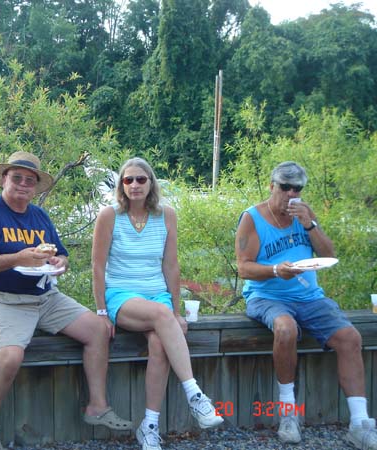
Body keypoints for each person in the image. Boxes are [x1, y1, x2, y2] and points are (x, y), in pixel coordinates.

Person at [0, 151, 132, 450]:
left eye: (30, 180)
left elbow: (60, 253)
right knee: (10, 357)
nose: (22, 184)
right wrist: (17, 257)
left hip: (43, 297)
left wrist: (60, 263)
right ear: (4, 179)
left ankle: (97, 406)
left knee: (99, 329)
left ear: (36, 187)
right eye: (16, 178)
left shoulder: (39, 216)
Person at [235, 161, 377, 449]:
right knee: (285, 329)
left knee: (350, 337)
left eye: (297, 188)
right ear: (272, 186)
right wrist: (276, 270)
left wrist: (310, 224)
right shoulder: (252, 217)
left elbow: (329, 254)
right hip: (267, 296)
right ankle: (289, 413)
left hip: (309, 297)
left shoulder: (304, 213)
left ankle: (359, 423)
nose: (291, 194)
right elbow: (243, 268)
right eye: (285, 187)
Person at [91, 157, 223, 450]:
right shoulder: (109, 215)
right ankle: (195, 395)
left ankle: (149, 426)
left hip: (158, 296)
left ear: (151, 183)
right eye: (128, 180)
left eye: (141, 179)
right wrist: (101, 312)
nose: (134, 185)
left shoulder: (167, 215)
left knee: (159, 344)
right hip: (122, 295)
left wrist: (176, 311)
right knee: (164, 316)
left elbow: (171, 265)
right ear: (121, 185)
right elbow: (97, 267)